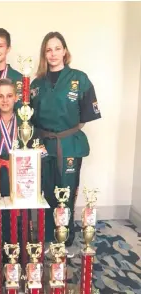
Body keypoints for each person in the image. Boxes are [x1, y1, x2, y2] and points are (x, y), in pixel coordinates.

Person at [30, 32, 102, 247]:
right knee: (45, 191)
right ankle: (47, 233)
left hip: (68, 144)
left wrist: (64, 133)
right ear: (44, 53)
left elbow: (84, 118)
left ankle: (65, 235)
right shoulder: (36, 83)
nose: (53, 54)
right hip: (43, 144)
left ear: (65, 51)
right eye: (48, 50)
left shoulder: (79, 79)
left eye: (57, 48)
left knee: (67, 191)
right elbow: (30, 119)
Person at [0, 79, 25, 246]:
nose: (5, 100)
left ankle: (18, 247)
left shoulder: (26, 124)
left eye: (9, 96)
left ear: (16, 97)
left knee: (17, 217)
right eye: (0, 96)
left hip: (19, 177)